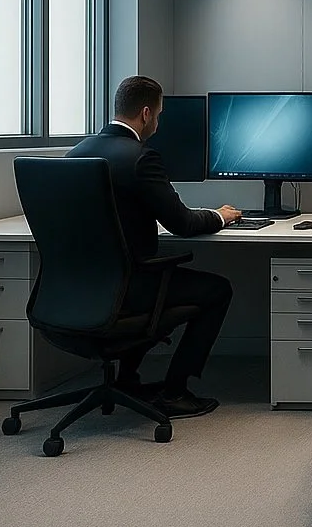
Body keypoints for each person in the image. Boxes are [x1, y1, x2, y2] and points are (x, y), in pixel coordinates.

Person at [67, 76, 242, 419]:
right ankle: (175, 391)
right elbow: (184, 225)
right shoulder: (140, 158)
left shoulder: (76, 154)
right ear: (146, 114)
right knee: (217, 290)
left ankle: (127, 379)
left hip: (75, 292)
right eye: (159, 115)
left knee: (156, 285)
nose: (158, 123)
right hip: (128, 291)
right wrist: (220, 215)